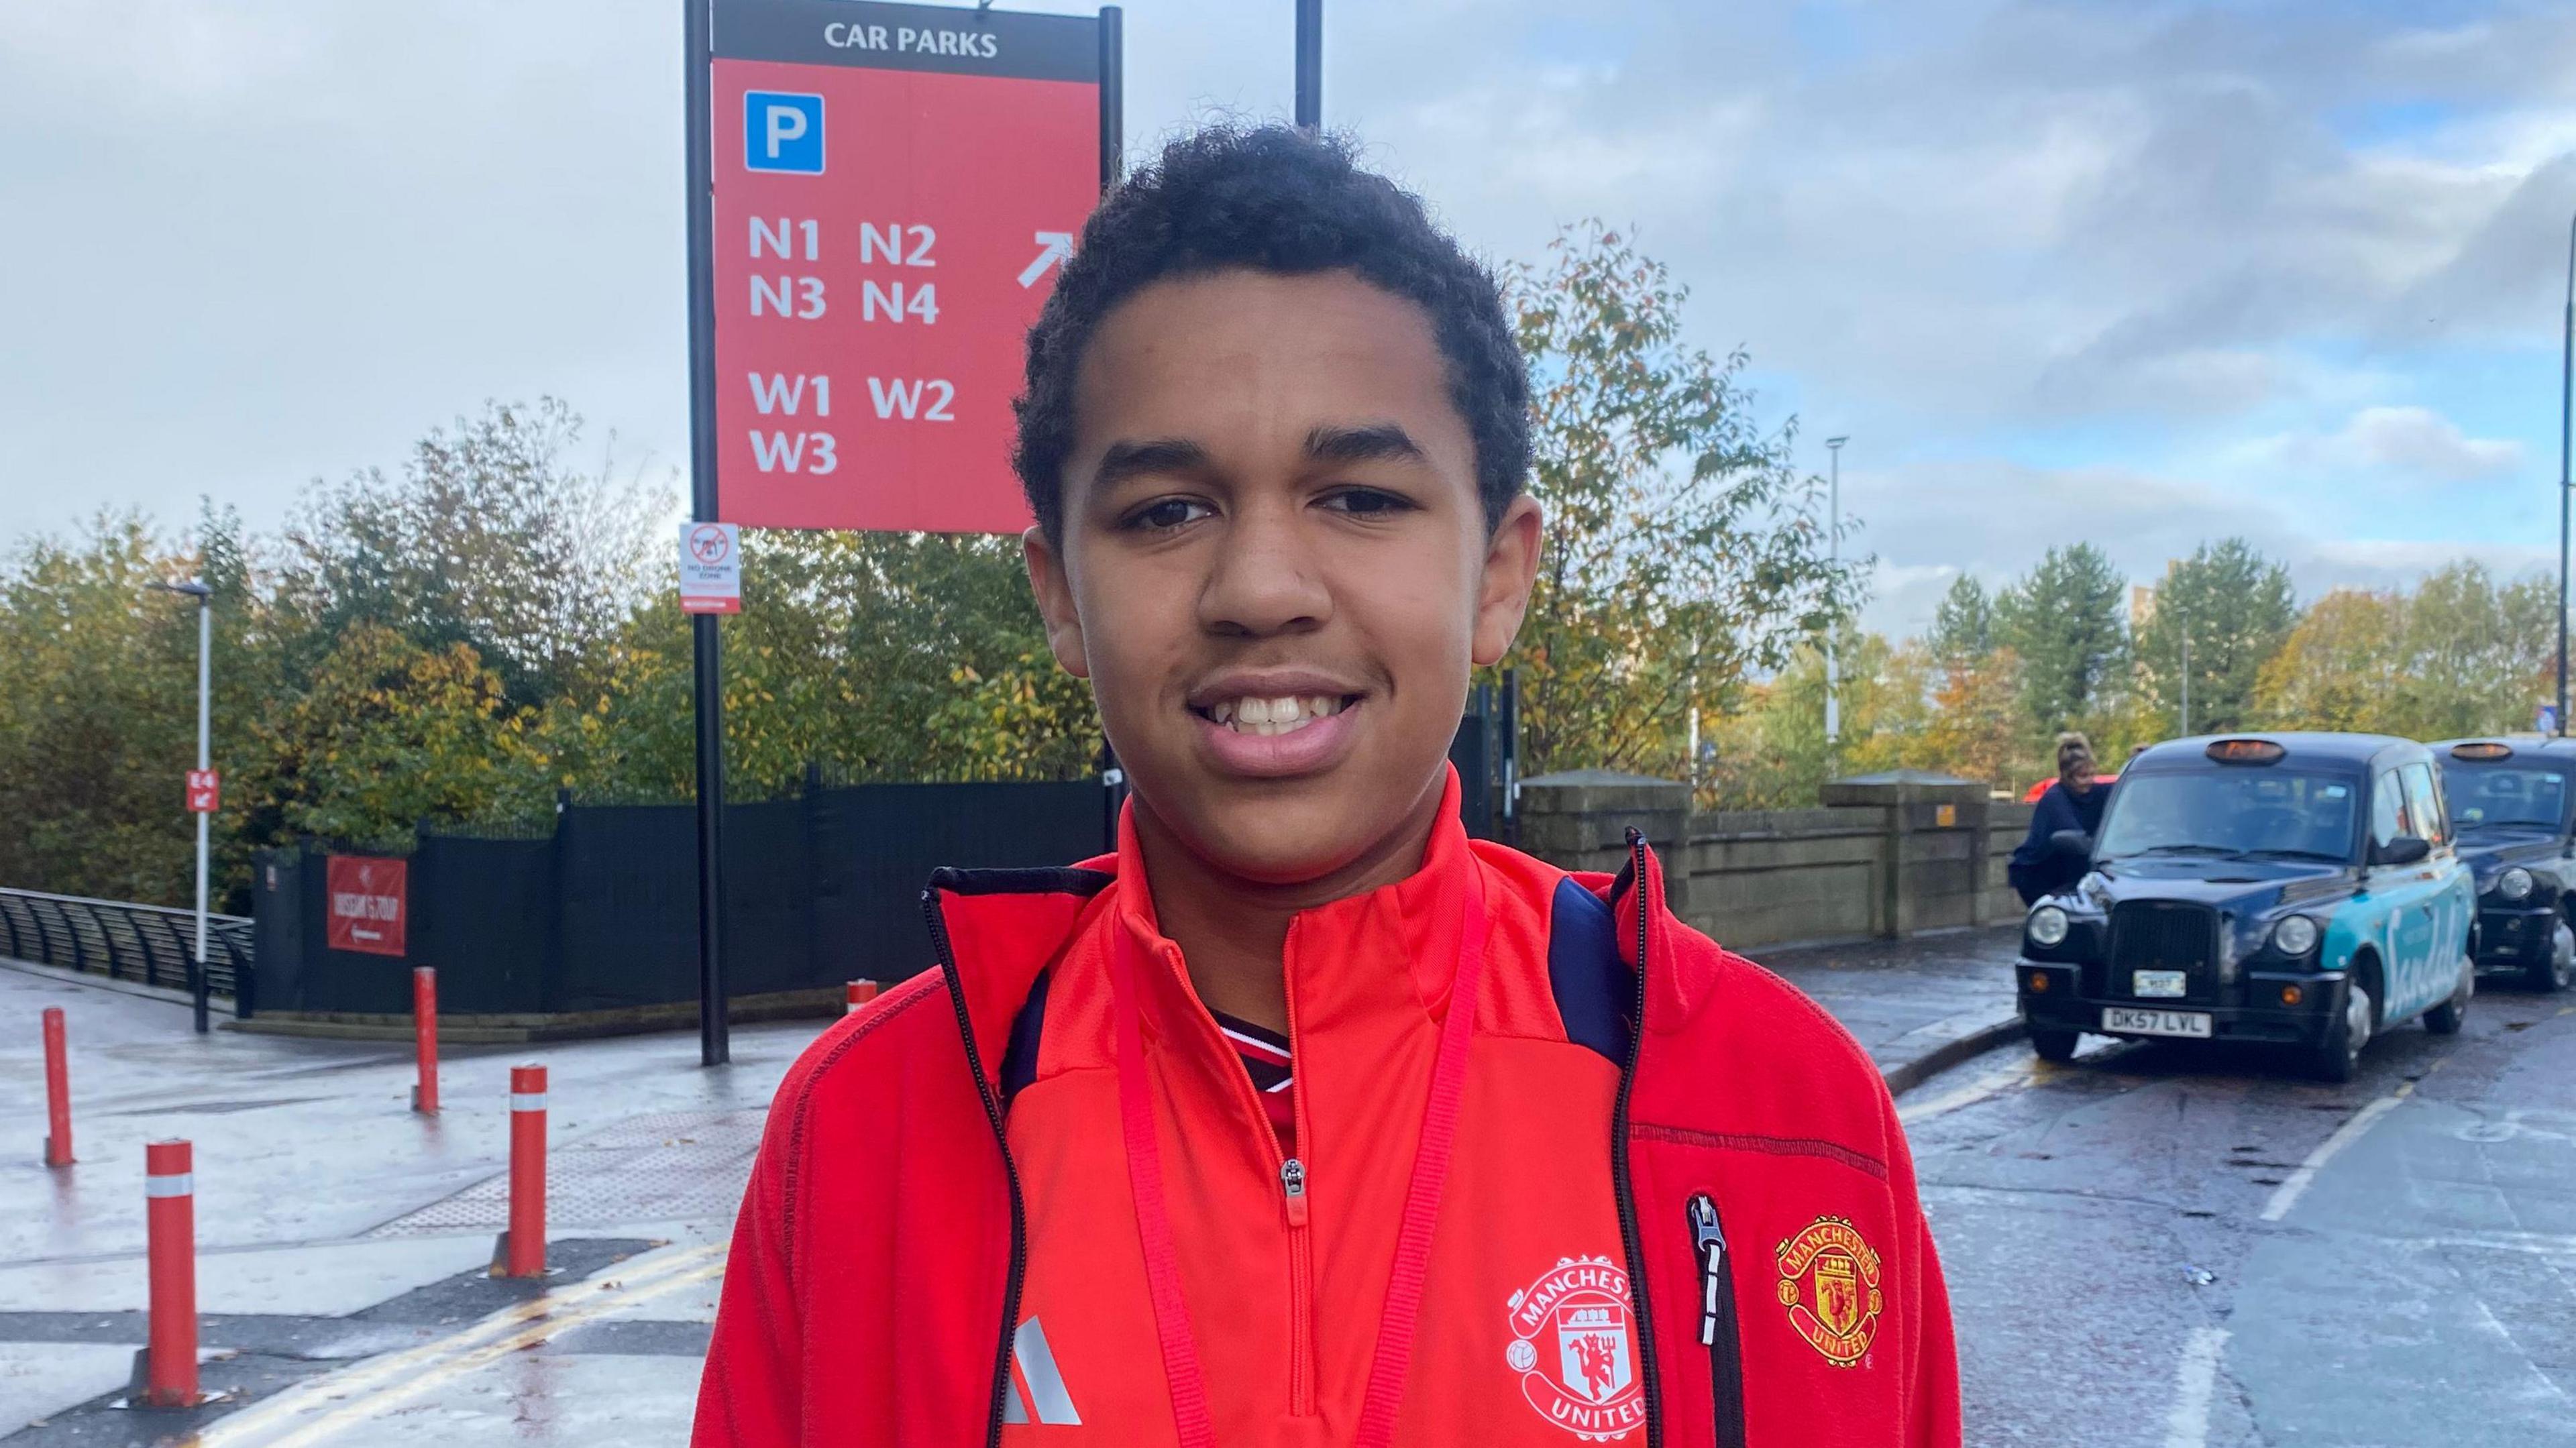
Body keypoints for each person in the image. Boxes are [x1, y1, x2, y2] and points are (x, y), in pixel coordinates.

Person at [694, 125, 1959, 1448]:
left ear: (1500, 573)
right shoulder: (863, 1133)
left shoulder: (1782, 1106)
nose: (1260, 588)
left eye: (1357, 494)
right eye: (1166, 511)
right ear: (1062, 595)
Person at [2009, 732, 2110, 905]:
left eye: (2092, 775)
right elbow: (2076, 839)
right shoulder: (2055, 799)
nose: (2089, 781)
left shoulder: (2097, 792)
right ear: (2067, 775)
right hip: (2039, 876)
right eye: (2083, 776)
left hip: (2070, 872)